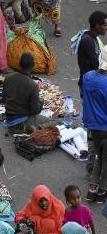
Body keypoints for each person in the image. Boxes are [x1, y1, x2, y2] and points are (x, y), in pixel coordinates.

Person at [3, 53, 56, 133]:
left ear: (19, 63)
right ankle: (32, 128)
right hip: (22, 120)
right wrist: (40, 102)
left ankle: (23, 128)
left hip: (9, 119)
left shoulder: (8, 78)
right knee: (56, 122)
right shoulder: (32, 85)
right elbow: (35, 111)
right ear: (33, 65)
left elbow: (4, 99)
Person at [82, 45, 107, 204]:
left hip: (92, 126)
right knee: (106, 159)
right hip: (105, 126)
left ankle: (92, 189)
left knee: (100, 156)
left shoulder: (87, 76)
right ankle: (102, 190)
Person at [76, 11, 107, 88]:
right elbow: (97, 64)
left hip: (92, 82)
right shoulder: (88, 41)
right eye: (105, 25)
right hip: (89, 84)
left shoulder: (93, 38)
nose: (106, 28)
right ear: (97, 26)